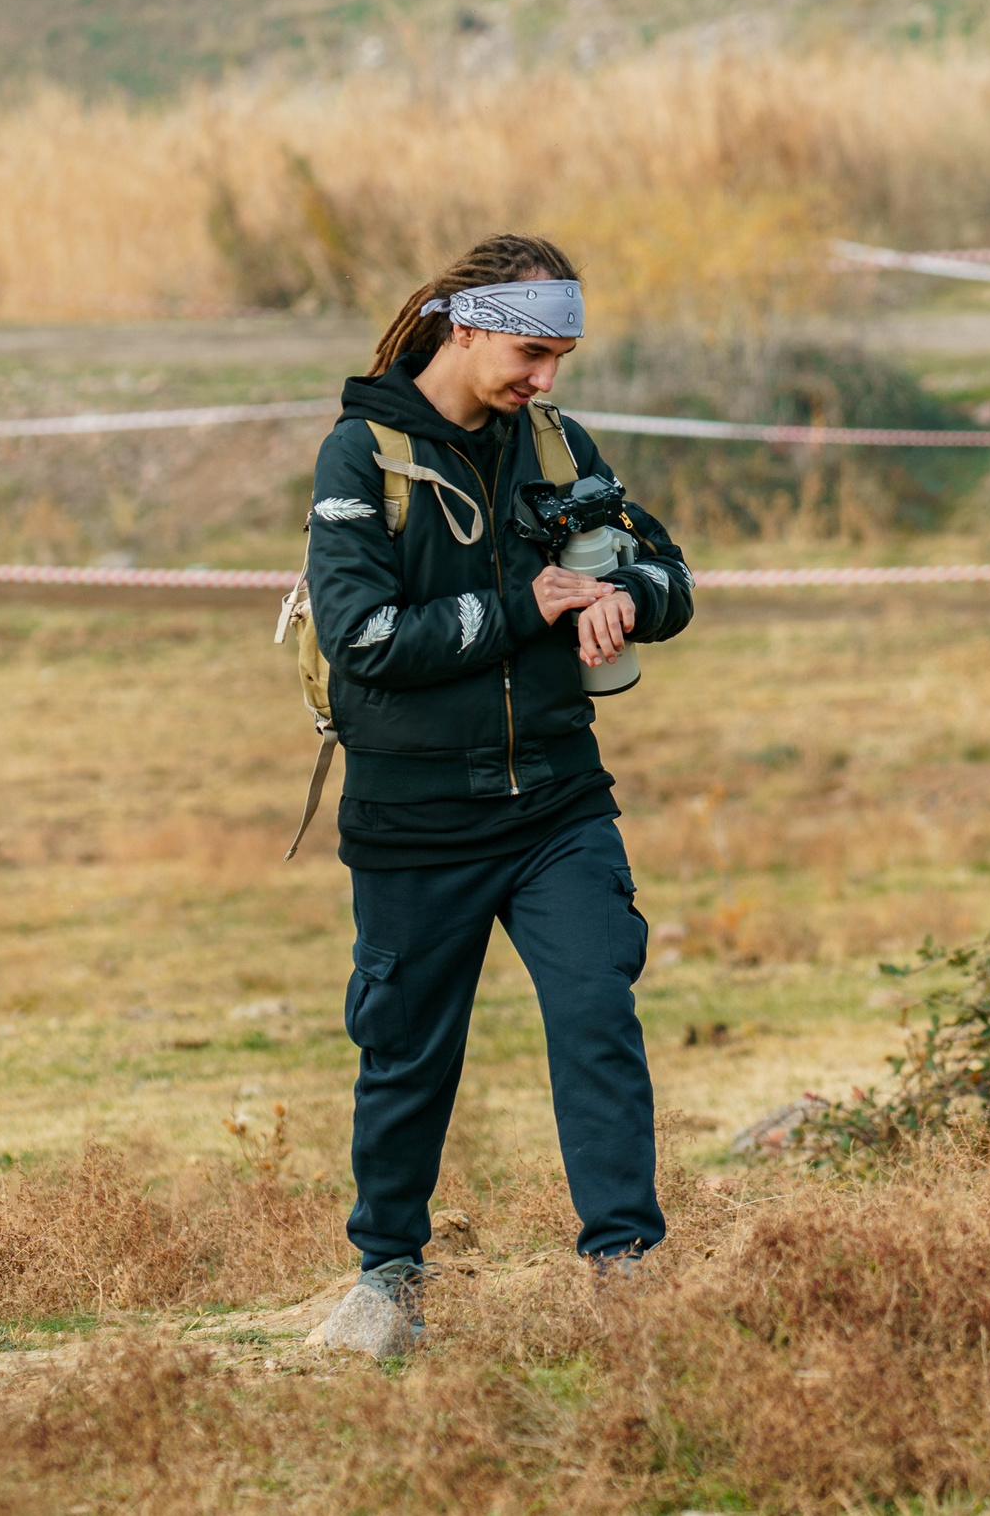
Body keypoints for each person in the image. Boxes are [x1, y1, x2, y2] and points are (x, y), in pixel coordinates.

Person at [303, 233, 693, 1356]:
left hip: (559, 807)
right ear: (466, 328)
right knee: (409, 1057)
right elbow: (365, 639)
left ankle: (628, 1272)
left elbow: (672, 577)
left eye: (561, 358)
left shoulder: (557, 446)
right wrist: (535, 605)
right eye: (531, 353)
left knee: (596, 1021)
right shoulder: (359, 454)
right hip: (415, 820)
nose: (546, 382)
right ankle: (387, 1278)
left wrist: (623, 597)